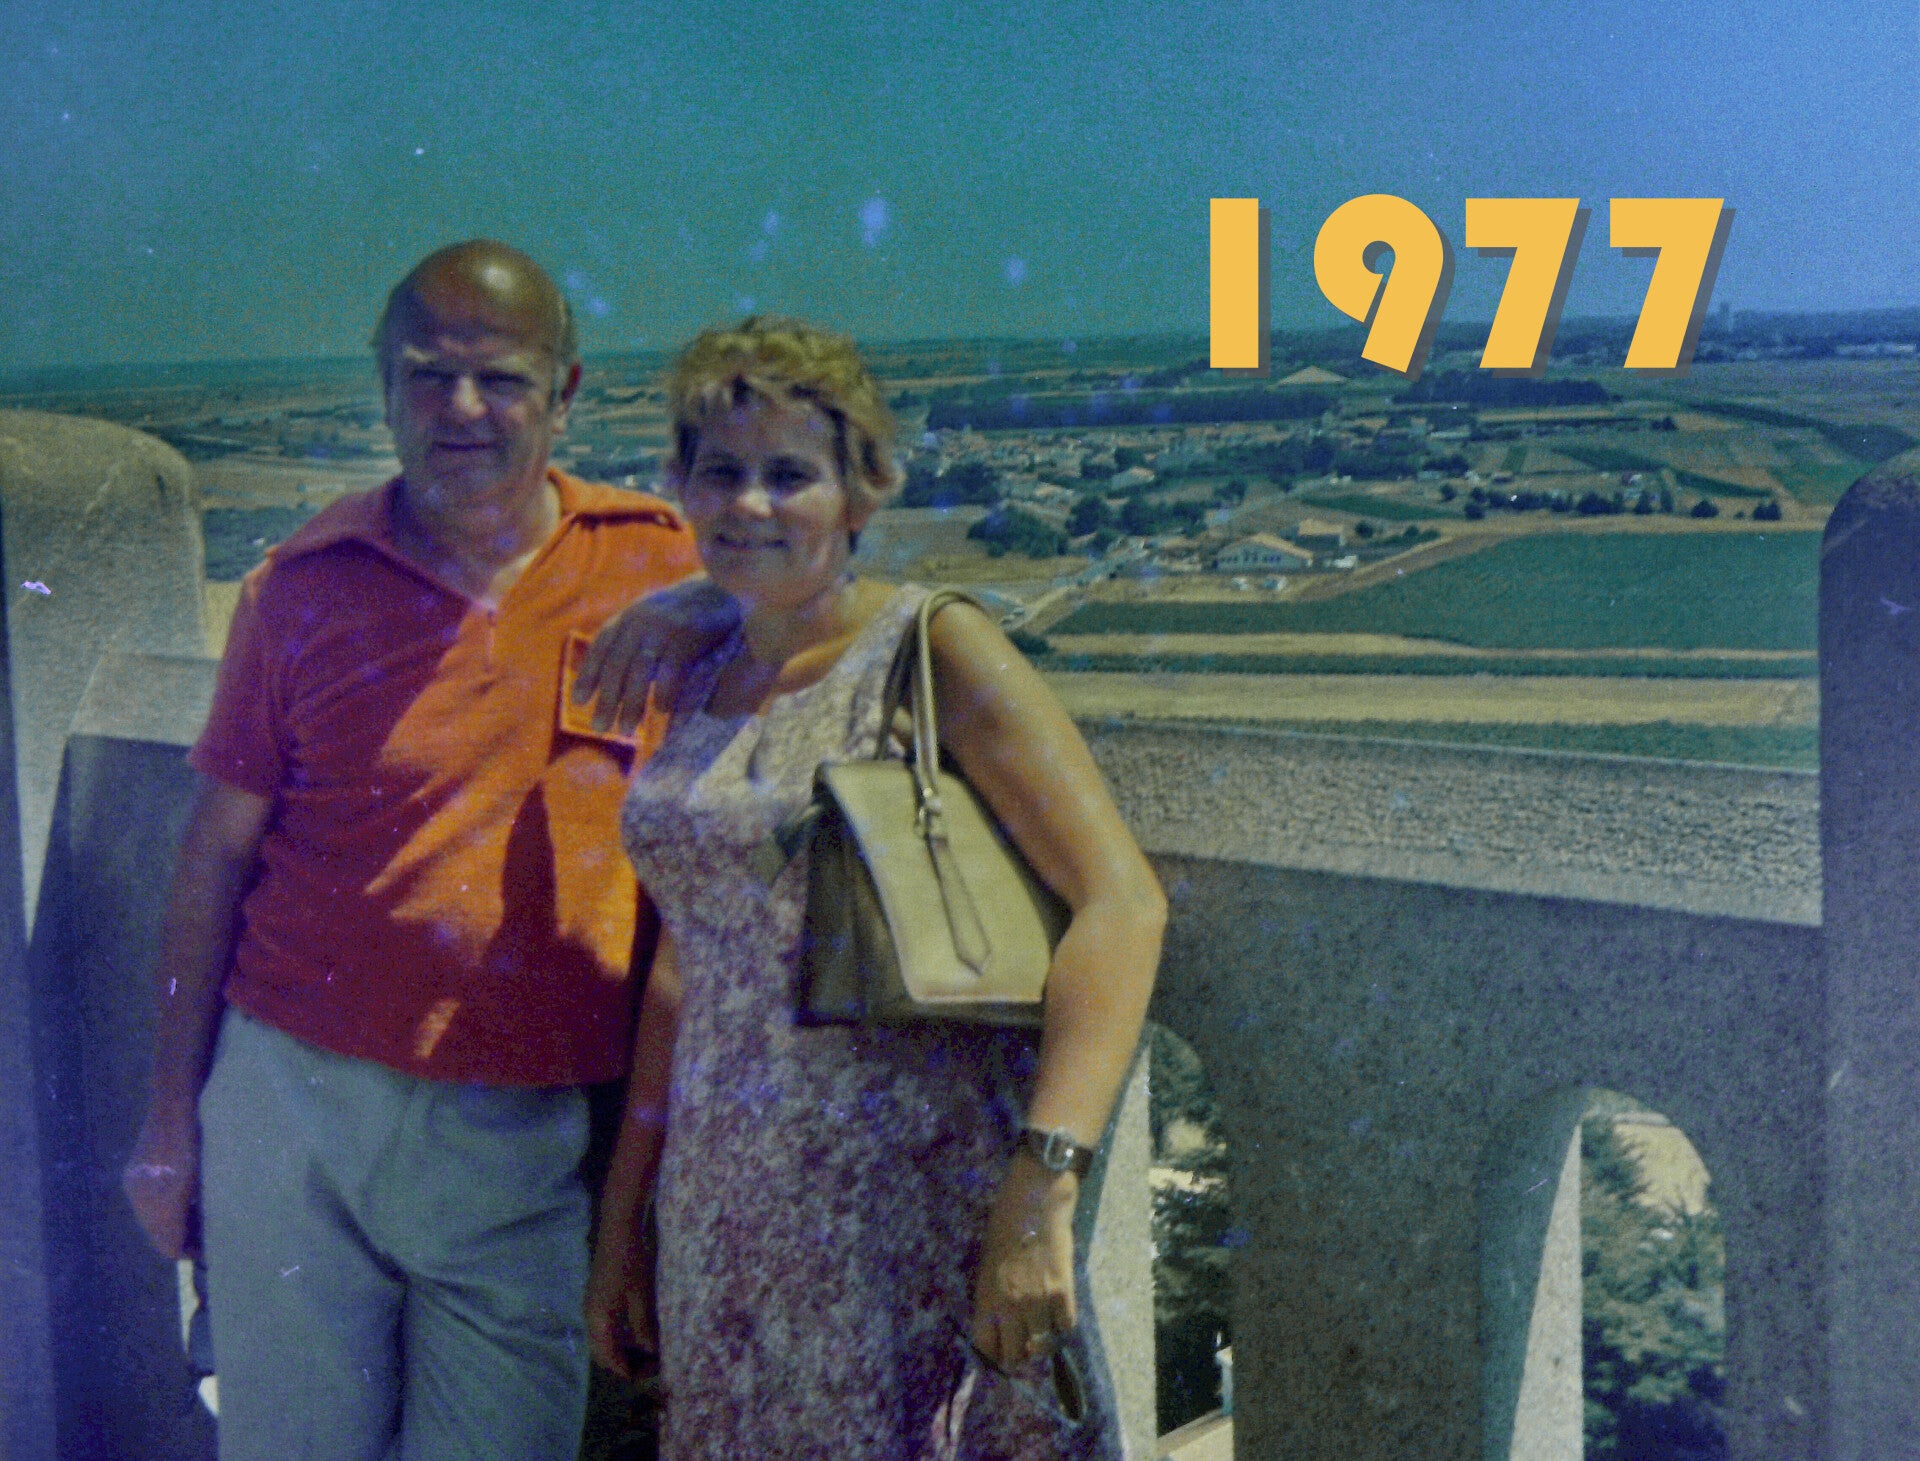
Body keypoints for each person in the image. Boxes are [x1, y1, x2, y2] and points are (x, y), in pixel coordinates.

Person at [120, 239, 703, 1460]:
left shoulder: (658, 568)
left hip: (522, 1132)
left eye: (501, 379)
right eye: (429, 375)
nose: (462, 409)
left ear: (565, 393)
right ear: (385, 389)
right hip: (294, 1104)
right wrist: (170, 1125)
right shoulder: (301, 586)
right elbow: (213, 858)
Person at [582, 318, 1166, 1459]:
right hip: (726, 1213)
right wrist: (625, 1220)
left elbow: (1123, 904)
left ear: (861, 491)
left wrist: (1043, 1188)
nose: (751, 502)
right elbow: (685, 968)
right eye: (721, 472)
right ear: (680, 487)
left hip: (900, 1206)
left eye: (789, 474)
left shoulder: (929, 647)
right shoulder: (702, 669)